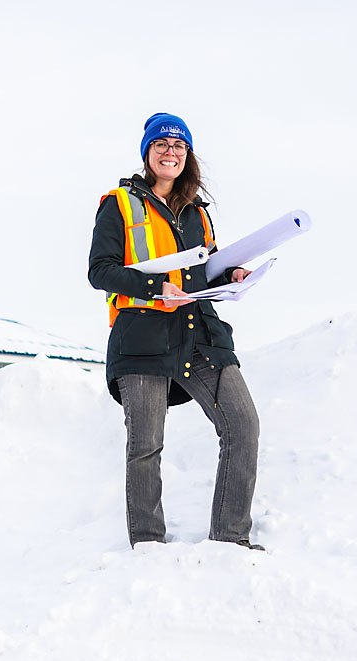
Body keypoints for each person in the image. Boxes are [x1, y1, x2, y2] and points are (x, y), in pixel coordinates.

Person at [88, 112, 264, 551]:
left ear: (188, 156)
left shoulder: (198, 212)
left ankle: (230, 540)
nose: (171, 152)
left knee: (243, 426)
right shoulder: (120, 203)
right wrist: (153, 288)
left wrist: (231, 275)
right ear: (148, 154)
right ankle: (147, 545)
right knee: (145, 446)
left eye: (179, 146)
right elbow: (100, 271)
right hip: (142, 336)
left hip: (199, 333)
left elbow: (206, 268)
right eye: (162, 145)